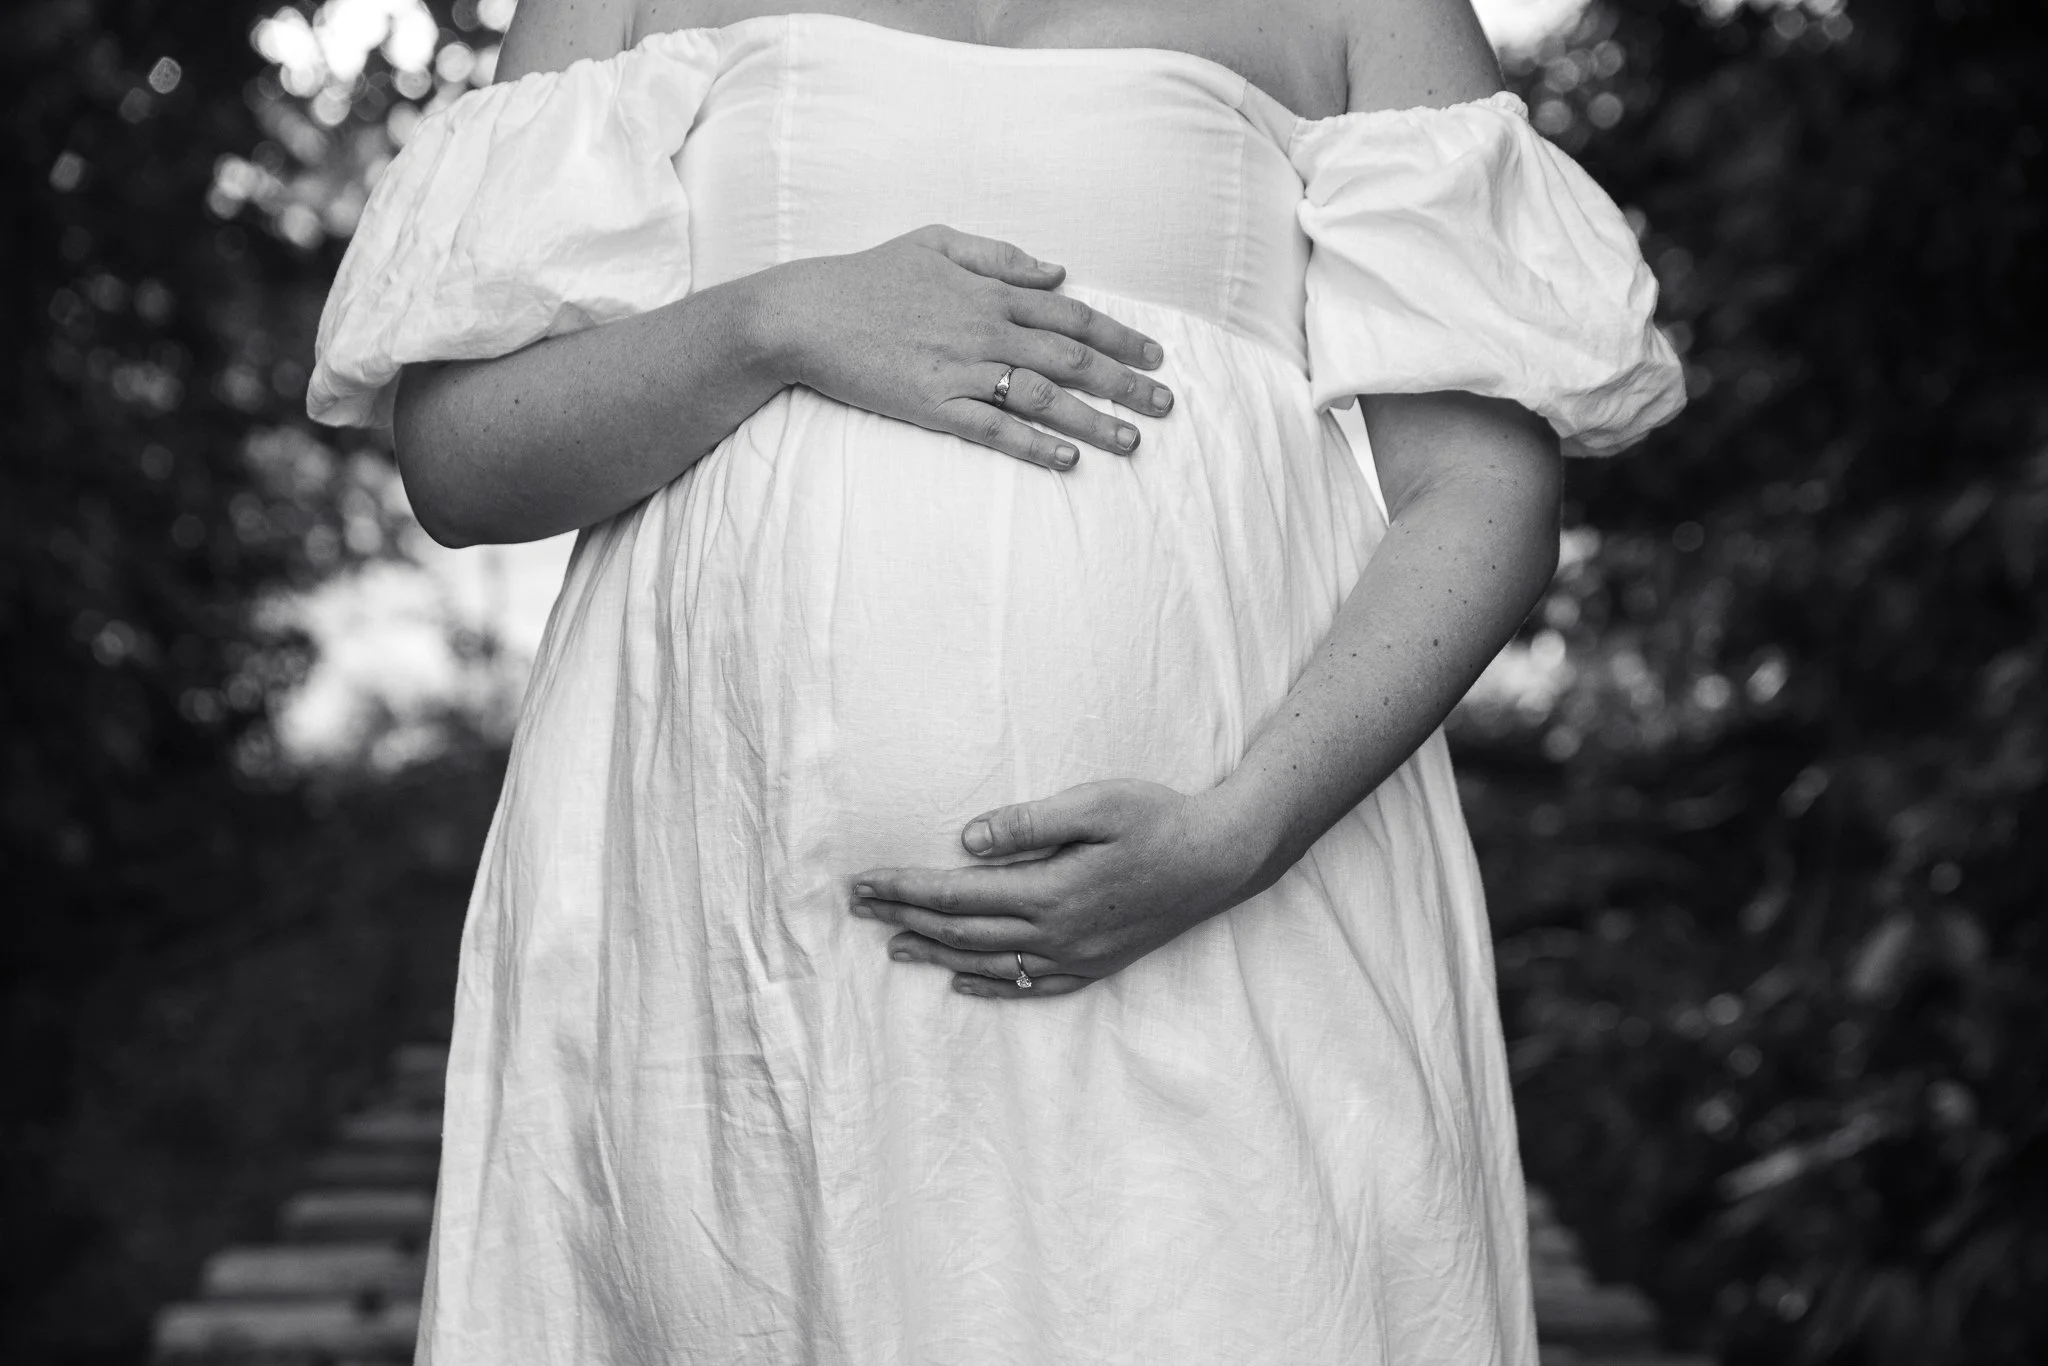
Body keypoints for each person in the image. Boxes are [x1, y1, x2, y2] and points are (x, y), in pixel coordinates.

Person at [309, 0, 1684, 1360]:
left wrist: (1242, 829)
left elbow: (1481, 493)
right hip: (742, 937)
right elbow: (464, 455)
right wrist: (774, 322)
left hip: (1237, 894)